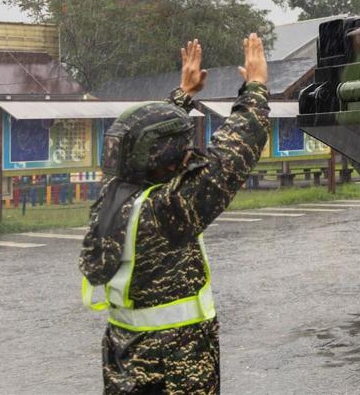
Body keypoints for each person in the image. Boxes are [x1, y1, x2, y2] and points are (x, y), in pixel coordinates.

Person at [80, 34, 270, 394]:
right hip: (173, 369)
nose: (188, 156)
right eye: (182, 152)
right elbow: (233, 151)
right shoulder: (168, 209)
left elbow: (145, 142)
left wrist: (183, 94)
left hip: (127, 362)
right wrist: (256, 87)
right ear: (165, 162)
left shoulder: (115, 193)